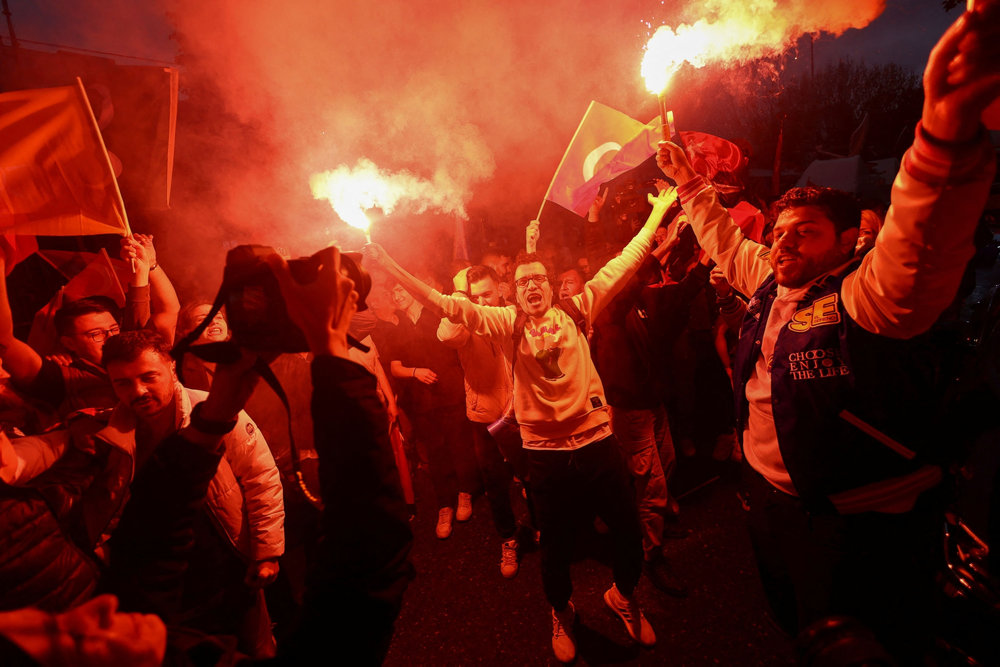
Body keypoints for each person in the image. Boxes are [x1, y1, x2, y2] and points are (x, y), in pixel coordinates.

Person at [655, 5, 1000, 660]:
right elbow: (727, 242)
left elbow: (917, 245)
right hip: (772, 511)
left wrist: (943, 137)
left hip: (858, 527)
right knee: (800, 625)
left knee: (865, 644)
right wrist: (690, 185)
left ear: (847, 241)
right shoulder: (766, 279)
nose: (783, 244)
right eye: (780, 233)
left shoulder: (867, 298)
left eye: (804, 233)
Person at [365, 186, 676, 663]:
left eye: (540, 279)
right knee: (555, 548)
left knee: (627, 534)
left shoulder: (580, 306)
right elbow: (447, 304)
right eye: (525, 280)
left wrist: (655, 214)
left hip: (597, 443)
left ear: (552, 286)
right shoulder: (504, 321)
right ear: (518, 289)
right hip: (546, 456)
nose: (532, 286)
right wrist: (389, 269)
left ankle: (623, 596)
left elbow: (630, 258)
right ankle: (560, 610)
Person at [437, 264, 525, 578]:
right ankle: (508, 538)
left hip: (520, 413)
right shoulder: (465, 323)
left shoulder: (514, 315)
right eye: (476, 297)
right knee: (494, 483)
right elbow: (446, 335)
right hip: (485, 415)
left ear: (501, 289)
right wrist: (460, 295)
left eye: (487, 293)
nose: (483, 302)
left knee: (531, 474)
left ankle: (540, 524)